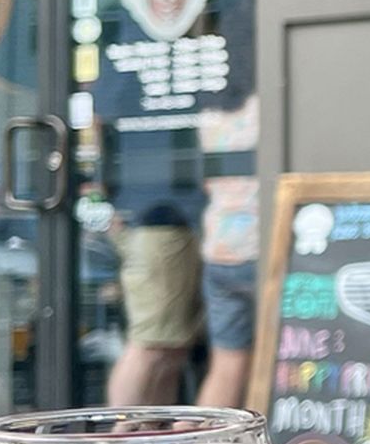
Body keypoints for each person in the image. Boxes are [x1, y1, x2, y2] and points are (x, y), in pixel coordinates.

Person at [107, 202, 202, 406]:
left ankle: (138, 425)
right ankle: (126, 425)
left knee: (161, 351)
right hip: (168, 235)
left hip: (162, 234)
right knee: (153, 348)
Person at [196, 171, 259, 408]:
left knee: (226, 362)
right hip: (262, 245)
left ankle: (202, 442)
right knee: (278, 359)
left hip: (219, 250)